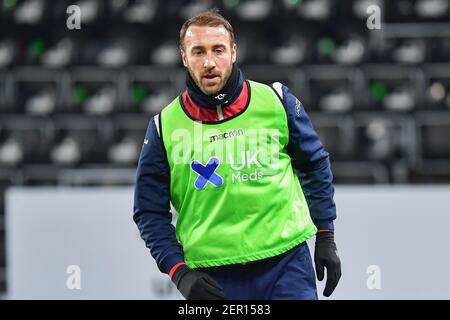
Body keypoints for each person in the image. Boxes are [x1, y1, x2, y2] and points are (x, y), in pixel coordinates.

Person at [133, 9, 341, 300]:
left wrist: (325, 235)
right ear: (184, 58)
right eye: (198, 52)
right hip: (213, 278)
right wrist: (179, 273)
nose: (209, 62)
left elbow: (315, 165)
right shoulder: (163, 127)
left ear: (233, 52)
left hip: (286, 266)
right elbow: (149, 212)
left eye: (218, 50)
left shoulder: (276, 102)